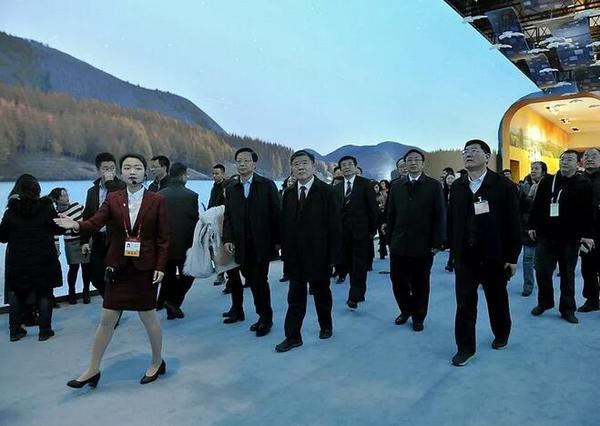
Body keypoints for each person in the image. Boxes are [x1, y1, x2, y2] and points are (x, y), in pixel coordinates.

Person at [56, 153, 170, 387]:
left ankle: (157, 361)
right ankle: (92, 369)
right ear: (121, 172)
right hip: (119, 267)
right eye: (127, 167)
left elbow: (163, 238)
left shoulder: (157, 200)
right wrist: (76, 224)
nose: (132, 171)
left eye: (137, 167)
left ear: (145, 172)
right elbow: (95, 222)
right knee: (107, 319)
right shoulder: (113, 199)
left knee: (148, 317)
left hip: (145, 268)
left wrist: (160, 266)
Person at [448, 140, 522, 366]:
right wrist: (453, 251)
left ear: (487, 157)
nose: (468, 155)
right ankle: (465, 348)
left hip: (494, 256)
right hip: (465, 257)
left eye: (474, 151)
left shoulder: (502, 185)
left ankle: (501, 333)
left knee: (497, 299)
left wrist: (512, 257)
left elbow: (514, 223)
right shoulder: (458, 186)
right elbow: (452, 220)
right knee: (464, 304)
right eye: (465, 151)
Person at [275, 150, 342, 352]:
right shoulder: (288, 193)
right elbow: (283, 225)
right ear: (292, 168)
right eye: (296, 164)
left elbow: (335, 226)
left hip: (320, 255)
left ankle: (326, 325)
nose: (300, 167)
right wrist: (282, 249)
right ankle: (293, 337)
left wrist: (333, 257)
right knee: (295, 298)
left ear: (313, 166)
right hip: (294, 257)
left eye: (304, 163)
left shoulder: (326, 191)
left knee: (322, 294)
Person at [528, 150, 594, 324]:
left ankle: (567, 309)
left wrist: (587, 235)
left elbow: (588, 212)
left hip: (569, 238)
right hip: (546, 235)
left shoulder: (583, 183)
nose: (564, 162)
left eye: (569, 159)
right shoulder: (547, 181)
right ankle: (545, 302)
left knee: (567, 274)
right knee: (541, 270)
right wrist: (532, 225)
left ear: (577, 163)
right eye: (562, 159)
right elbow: (537, 205)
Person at [222, 147, 281, 336]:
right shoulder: (231, 188)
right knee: (250, 278)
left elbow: (277, 213)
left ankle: (265, 318)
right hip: (241, 244)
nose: (242, 164)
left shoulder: (266, 185)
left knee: (259, 280)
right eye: (239, 161)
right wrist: (228, 238)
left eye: (246, 160)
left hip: (262, 242)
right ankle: (260, 316)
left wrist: (278, 241)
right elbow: (228, 216)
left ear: (254, 164)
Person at [386, 149, 445, 331]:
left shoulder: (434, 185)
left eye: (416, 160)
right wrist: (389, 240)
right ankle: (405, 310)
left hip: (423, 244)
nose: (412, 163)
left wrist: (437, 242)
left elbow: (439, 215)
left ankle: (419, 316)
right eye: (409, 160)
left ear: (422, 163)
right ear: (404, 164)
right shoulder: (396, 186)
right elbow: (390, 214)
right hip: (399, 243)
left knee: (420, 282)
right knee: (398, 280)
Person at [1, 174, 64, 342]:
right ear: (37, 190)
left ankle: (15, 331)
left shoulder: (10, 212)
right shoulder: (47, 208)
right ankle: (45, 331)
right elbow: (59, 229)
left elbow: (2, 237)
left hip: (18, 261)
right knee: (45, 293)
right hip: (44, 259)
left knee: (17, 293)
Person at [334, 155, 378, 309]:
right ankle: (355, 290)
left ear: (355, 166)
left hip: (361, 232)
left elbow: (372, 209)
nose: (346, 167)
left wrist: (372, 230)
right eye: (343, 165)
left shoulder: (365, 184)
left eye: (349, 164)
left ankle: (355, 295)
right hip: (342, 234)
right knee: (346, 263)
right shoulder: (337, 188)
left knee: (358, 265)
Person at [156, 163, 199, 319]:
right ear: (183, 175)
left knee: (168, 277)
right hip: (185, 244)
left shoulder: (159, 195)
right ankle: (173, 303)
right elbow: (195, 220)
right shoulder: (192, 196)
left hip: (165, 244)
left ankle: (170, 309)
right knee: (189, 274)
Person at [82, 153, 126, 299]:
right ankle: (110, 301)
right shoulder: (92, 191)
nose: (109, 172)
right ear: (98, 170)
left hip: (116, 239)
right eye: (105, 169)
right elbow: (87, 216)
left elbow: (122, 207)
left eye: (112, 168)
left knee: (115, 274)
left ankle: (113, 305)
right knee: (96, 276)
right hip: (98, 237)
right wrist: (84, 240)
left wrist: (110, 184)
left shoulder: (122, 187)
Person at [49, 187, 91, 304]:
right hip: (70, 242)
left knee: (86, 267)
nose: (66, 197)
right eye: (63, 196)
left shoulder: (77, 206)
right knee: (73, 268)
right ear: (57, 199)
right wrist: (56, 247)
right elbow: (55, 233)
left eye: (66, 194)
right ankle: (71, 292)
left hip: (83, 239)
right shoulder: (56, 213)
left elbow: (87, 219)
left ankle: (86, 291)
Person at [519, 161, 547, 297]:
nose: (533, 171)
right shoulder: (524, 187)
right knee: (527, 258)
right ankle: (528, 285)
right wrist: (530, 196)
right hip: (528, 227)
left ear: (543, 172)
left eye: (536, 168)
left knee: (543, 262)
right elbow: (521, 207)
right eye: (532, 168)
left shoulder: (549, 185)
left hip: (544, 228)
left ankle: (544, 287)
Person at [578, 148, 600, 312]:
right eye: (586, 156)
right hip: (585, 233)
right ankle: (591, 300)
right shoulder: (577, 179)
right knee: (588, 268)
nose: (589, 158)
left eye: (594, 156)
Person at [207, 163, 227, 286]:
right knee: (214, 248)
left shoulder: (226, 187)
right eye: (213, 174)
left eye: (217, 173)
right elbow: (211, 203)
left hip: (223, 221)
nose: (214, 176)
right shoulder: (214, 187)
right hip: (214, 221)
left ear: (223, 174)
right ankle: (220, 273)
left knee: (223, 249)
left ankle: (224, 274)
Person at [443, 172, 456, 272]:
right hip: (446, 217)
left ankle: (451, 262)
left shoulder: (458, 190)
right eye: (448, 178)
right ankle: (451, 262)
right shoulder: (442, 191)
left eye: (452, 178)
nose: (450, 180)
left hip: (455, 217)